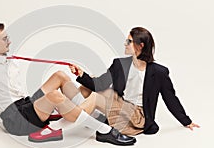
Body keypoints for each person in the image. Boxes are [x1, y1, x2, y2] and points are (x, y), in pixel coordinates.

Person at [0, 22, 136, 146]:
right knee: (55, 97)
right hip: (14, 119)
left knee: (61, 75)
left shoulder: (9, 60)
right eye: (4, 39)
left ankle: (89, 117)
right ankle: (104, 130)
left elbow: (17, 93)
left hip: (25, 105)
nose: (9, 41)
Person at [67, 27, 200, 135]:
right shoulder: (120, 64)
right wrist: (81, 74)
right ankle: (71, 118)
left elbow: (170, 97)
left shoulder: (159, 72)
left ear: (140, 46)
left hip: (138, 115)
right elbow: (99, 84)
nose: (125, 44)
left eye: (129, 41)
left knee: (96, 98)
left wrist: (186, 121)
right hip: (122, 104)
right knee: (93, 91)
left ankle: (62, 123)